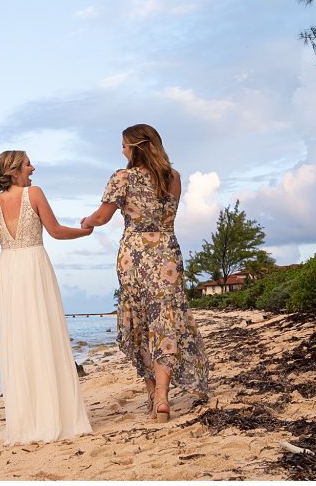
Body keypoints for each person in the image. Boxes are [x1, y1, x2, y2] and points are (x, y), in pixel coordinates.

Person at [0, 151, 94, 444]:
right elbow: (55, 231)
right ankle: (55, 416)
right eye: (28, 164)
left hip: (9, 270)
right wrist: (84, 232)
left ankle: (28, 422)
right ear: (15, 171)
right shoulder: (34, 193)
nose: (33, 168)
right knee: (45, 334)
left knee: (19, 341)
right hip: (34, 265)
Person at [81, 124, 209, 422]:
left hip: (134, 256)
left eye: (124, 145)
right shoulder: (173, 177)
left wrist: (86, 221)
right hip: (166, 254)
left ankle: (152, 394)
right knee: (165, 319)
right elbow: (169, 215)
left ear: (136, 147)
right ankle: (163, 396)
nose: (122, 150)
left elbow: (101, 216)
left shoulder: (122, 177)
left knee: (140, 323)